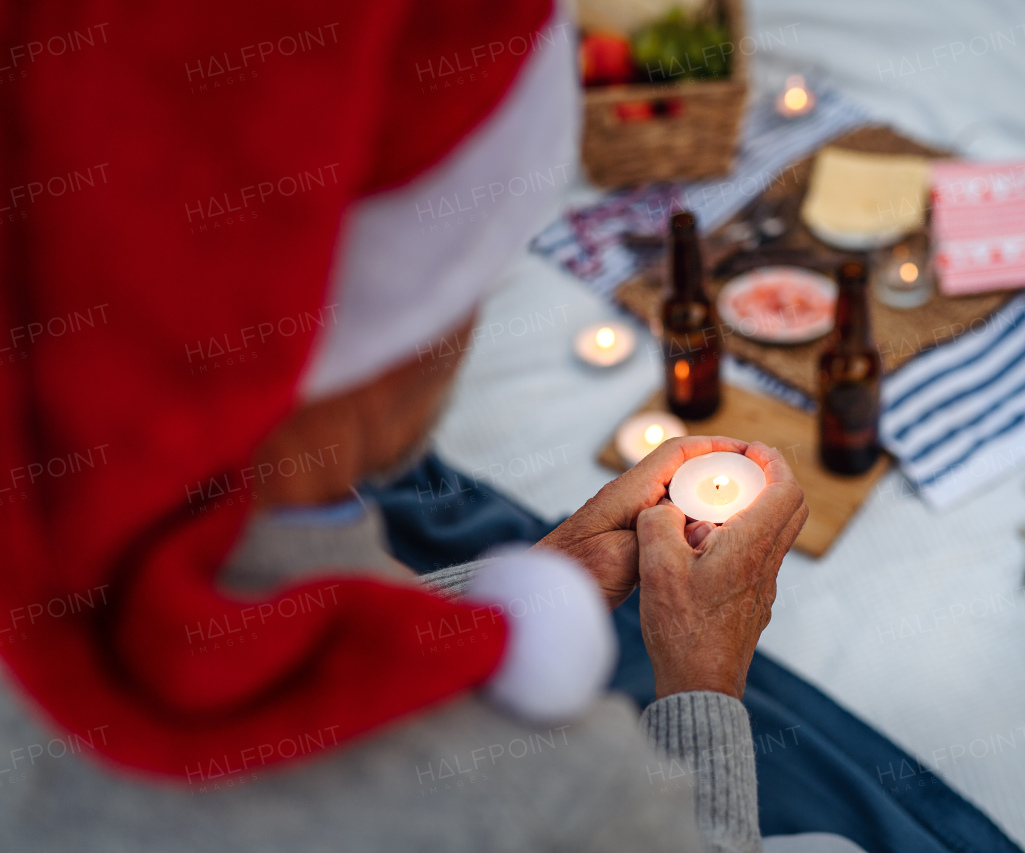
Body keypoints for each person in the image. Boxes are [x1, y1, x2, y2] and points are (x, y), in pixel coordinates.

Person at [0, 2, 863, 850]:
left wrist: (552, 566)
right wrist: (704, 675)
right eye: (469, 287)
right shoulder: (544, 783)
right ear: (387, 348)